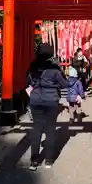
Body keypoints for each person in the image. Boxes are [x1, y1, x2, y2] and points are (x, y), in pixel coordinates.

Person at [26, 43, 69, 171]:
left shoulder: (33, 66)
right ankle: (49, 160)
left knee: (37, 129)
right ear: (51, 53)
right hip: (51, 100)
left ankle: (34, 161)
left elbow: (27, 82)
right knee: (50, 129)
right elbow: (65, 84)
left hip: (36, 99)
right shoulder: (55, 68)